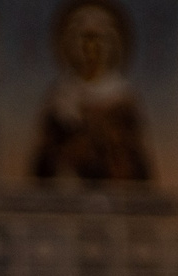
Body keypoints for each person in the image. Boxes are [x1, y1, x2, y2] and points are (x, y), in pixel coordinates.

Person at [29, 0, 154, 184]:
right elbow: (44, 164)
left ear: (113, 43)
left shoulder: (123, 98)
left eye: (98, 38)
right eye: (84, 38)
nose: (90, 48)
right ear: (69, 42)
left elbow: (136, 167)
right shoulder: (59, 96)